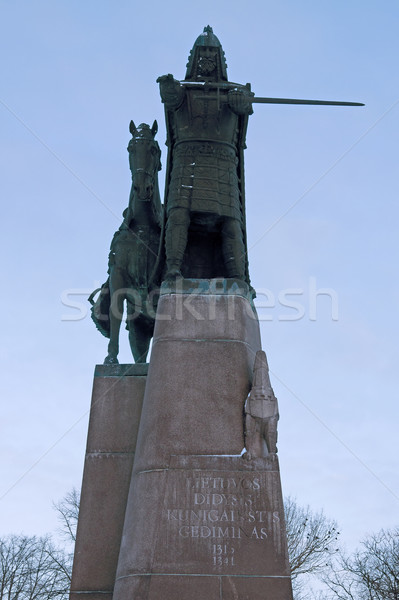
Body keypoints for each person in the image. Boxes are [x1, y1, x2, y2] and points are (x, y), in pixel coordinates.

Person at [157, 25, 254, 284]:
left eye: (212, 53)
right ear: (195, 58)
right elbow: (171, 97)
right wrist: (167, 85)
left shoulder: (233, 94)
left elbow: (245, 107)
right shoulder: (183, 92)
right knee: (178, 215)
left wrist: (241, 102)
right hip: (188, 162)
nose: (207, 59)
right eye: (203, 52)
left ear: (220, 59)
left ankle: (236, 277)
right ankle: (173, 269)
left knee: (231, 221)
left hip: (221, 164)